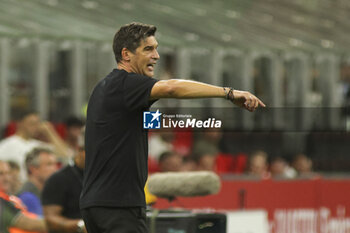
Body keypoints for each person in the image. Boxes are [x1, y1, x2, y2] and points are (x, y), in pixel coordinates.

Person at [80, 22, 265, 233]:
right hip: (119, 205)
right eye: (148, 49)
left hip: (98, 204)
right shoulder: (127, 84)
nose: (156, 56)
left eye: (156, 48)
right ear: (126, 54)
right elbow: (172, 88)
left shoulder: (107, 87)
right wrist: (228, 93)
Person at [0, 111, 69, 181]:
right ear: (20, 123)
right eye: (32, 123)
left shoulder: (39, 145)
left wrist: (50, 132)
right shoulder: (6, 145)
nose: (35, 127)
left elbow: (65, 155)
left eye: (37, 124)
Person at [42, 132, 86, 233]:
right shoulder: (59, 179)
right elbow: (50, 220)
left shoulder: (106, 175)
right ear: (79, 149)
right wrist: (80, 226)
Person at [0, 160, 47, 233]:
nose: (7, 178)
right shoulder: (27, 196)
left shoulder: (11, 199)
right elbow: (28, 223)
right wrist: (62, 223)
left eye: (8, 173)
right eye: (1, 174)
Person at [17, 147, 58, 216]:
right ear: (34, 169)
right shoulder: (27, 197)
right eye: (49, 164)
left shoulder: (45, 192)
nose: (55, 169)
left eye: (55, 164)